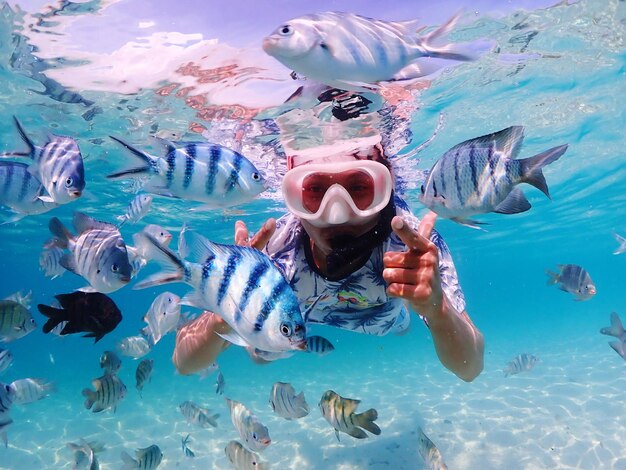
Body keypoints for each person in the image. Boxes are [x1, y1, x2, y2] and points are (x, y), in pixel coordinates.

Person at [173, 134, 484, 382]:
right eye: (316, 190)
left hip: (385, 320)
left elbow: (469, 367)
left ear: (385, 189)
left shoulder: (414, 247)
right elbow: (185, 363)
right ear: (294, 196)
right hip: (295, 326)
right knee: (264, 353)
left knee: (397, 325)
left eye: (360, 187)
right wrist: (228, 299)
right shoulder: (276, 251)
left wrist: (437, 309)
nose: (336, 213)